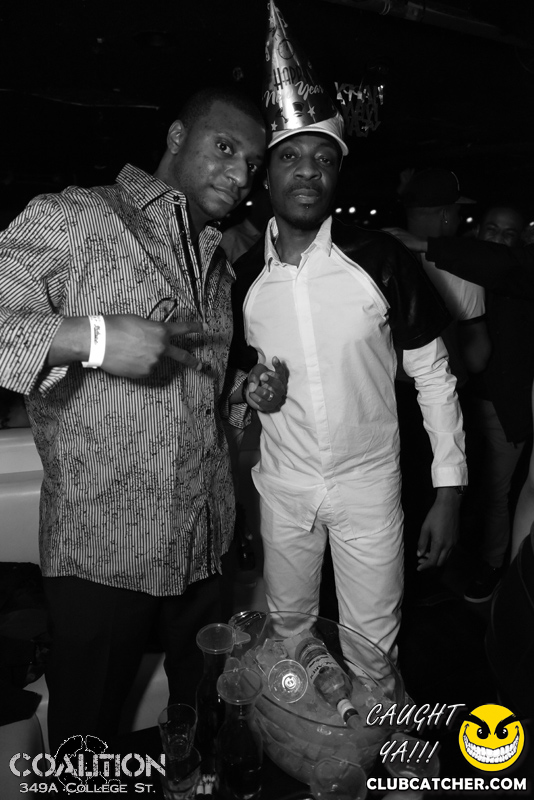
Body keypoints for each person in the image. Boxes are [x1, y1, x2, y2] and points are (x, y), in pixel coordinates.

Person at [0, 85, 289, 751]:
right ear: (177, 138)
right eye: (225, 148)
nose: (240, 175)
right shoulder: (76, 217)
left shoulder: (215, 264)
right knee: (87, 738)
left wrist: (243, 389)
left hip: (203, 542)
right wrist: (95, 339)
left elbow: (196, 387)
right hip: (103, 547)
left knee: (199, 717)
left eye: (251, 163)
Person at [227, 0, 467, 667]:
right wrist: (250, 389)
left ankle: (376, 731)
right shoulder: (243, 279)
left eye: (323, 158)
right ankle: (302, 732)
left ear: (337, 172)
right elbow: (235, 379)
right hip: (284, 488)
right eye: (291, 157)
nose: (308, 170)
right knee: (289, 635)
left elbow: (434, 376)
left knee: (373, 645)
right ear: (268, 174)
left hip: (369, 485)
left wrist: (449, 490)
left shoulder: (381, 260)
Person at [459, 205, 534, 602]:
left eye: (508, 233)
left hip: (504, 408)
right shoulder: (461, 270)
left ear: (521, 241)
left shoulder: (521, 280)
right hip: (460, 402)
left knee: (496, 494)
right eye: (492, 229)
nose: (498, 239)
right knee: (465, 488)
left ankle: (491, 566)